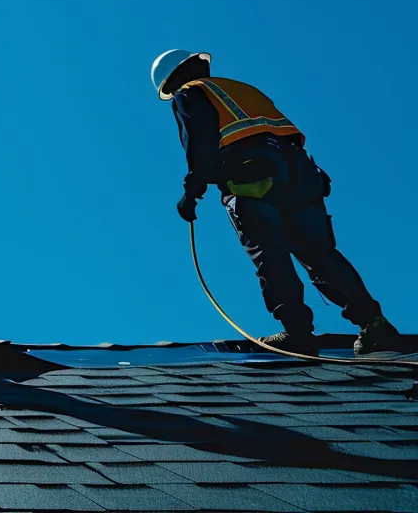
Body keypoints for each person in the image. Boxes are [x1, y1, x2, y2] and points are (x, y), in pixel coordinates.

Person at [152, 49, 401, 355]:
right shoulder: (242, 89)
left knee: (270, 255)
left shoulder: (190, 94)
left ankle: (298, 335)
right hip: (302, 176)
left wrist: (191, 193)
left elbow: (200, 144)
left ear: (173, 81)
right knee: (320, 255)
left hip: (252, 177)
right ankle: (374, 325)